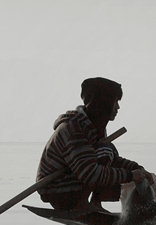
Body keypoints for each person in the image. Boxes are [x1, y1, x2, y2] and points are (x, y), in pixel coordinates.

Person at [36, 77, 150, 211]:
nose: (117, 107)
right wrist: (130, 175)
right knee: (105, 151)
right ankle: (81, 204)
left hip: (74, 182)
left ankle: (95, 203)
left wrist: (136, 169)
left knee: (106, 150)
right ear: (103, 102)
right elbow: (90, 173)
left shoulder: (94, 127)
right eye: (115, 102)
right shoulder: (74, 129)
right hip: (58, 189)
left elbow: (112, 160)